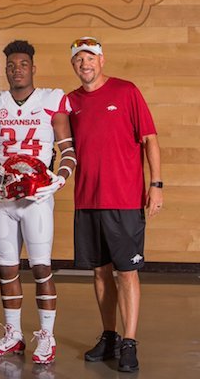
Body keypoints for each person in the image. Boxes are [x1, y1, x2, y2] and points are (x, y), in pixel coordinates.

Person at [67, 37, 163, 373]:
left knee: (127, 272)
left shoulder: (126, 92)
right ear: (73, 65)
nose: (85, 65)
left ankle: (129, 341)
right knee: (99, 272)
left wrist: (156, 184)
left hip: (124, 200)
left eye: (90, 58)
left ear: (102, 60)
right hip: (88, 200)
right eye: (79, 60)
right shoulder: (70, 102)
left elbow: (150, 139)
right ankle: (109, 336)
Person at [0, 40, 77, 364]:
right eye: (11, 65)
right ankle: (13, 334)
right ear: (5, 69)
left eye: (22, 64)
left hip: (36, 199)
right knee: (6, 269)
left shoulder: (52, 100)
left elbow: (68, 150)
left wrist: (57, 181)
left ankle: (47, 337)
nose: (16, 69)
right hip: (6, 199)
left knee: (41, 268)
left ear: (32, 67)